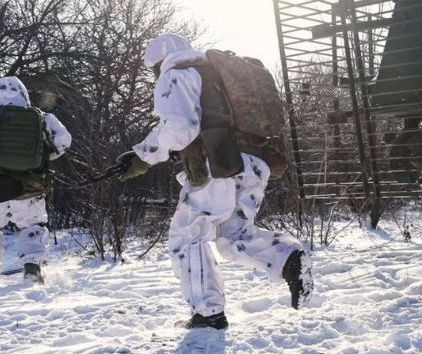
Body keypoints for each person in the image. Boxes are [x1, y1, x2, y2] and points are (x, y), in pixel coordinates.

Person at [117, 33, 313, 329]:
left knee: (187, 236)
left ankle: (208, 314)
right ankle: (289, 259)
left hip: (218, 164)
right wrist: (142, 154)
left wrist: (145, 157)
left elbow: (179, 129)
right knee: (234, 236)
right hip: (254, 162)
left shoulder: (176, 72)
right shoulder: (215, 74)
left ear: (158, 63)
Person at [0, 77, 71, 285]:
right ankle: (32, 268)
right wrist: (42, 158)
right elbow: (64, 141)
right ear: (24, 94)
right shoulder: (43, 118)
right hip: (30, 185)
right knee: (32, 224)